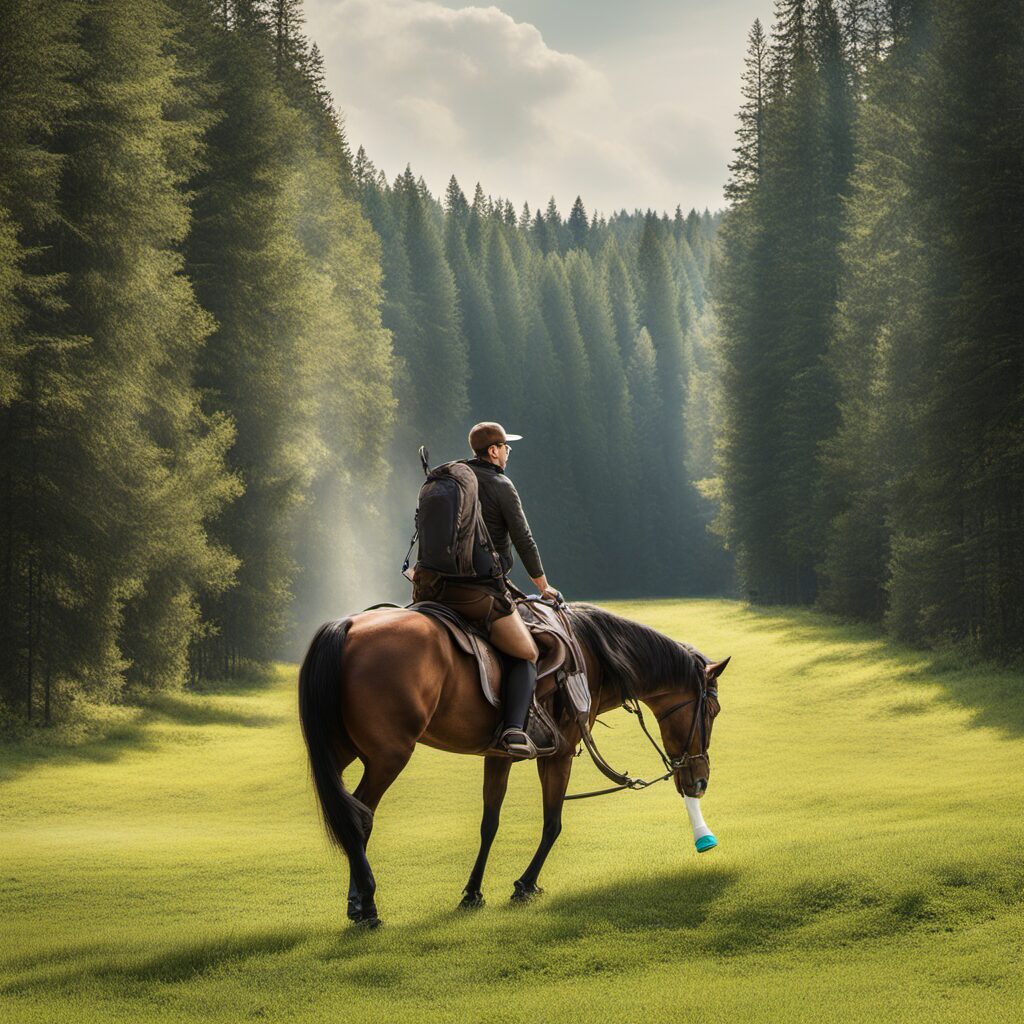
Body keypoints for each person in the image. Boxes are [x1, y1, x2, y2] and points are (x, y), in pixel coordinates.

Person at [412, 422, 559, 759]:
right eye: (505, 446)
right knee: (526, 653)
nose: (508, 451)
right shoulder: (500, 483)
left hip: (431, 590)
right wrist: (543, 586)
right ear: (493, 450)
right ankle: (513, 731)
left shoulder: (449, 481)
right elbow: (523, 539)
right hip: (476, 594)